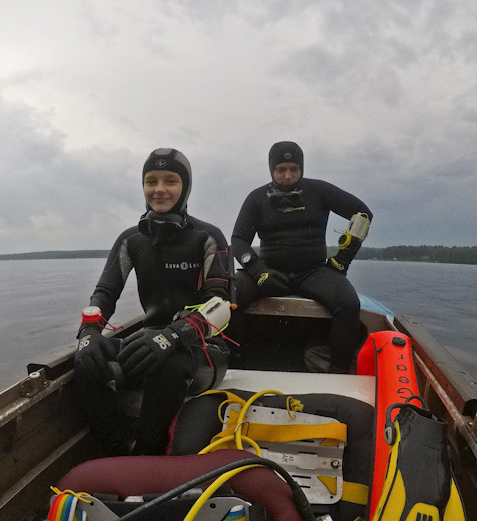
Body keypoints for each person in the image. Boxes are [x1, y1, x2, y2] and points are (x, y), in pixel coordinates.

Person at [74, 148, 231, 456]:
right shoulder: (131, 240)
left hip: (203, 350)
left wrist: (173, 336)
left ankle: (149, 453)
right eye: (151, 181)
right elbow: (105, 294)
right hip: (151, 342)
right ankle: (114, 450)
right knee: (86, 361)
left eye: (170, 181)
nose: (160, 189)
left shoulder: (208, 236)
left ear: (185, 187)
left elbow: (221, 306)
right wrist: (88, 333)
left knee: (169, 363)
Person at [231, 141, 372, 373]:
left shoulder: (319, 191)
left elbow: (363, 214)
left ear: (302, 169)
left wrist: (342, 260)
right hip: (269, 272)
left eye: (294, 169)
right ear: (271, 170)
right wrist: (258, 271)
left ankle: (339, 370)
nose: (288, 176)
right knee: (230, 294)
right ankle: (234, 363)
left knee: (348, 303)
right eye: (281, 170)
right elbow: (238, 240)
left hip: (313, 272)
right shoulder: (257, 198)